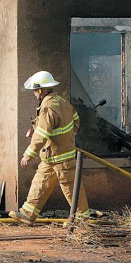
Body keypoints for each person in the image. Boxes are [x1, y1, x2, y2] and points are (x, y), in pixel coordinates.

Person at [9, 71, 90, 226]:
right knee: (40, 182)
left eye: (35, 90)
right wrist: (65, 138)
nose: (33, 93)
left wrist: (28, 155)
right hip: (52, 156)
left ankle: (82, 220)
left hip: (60, 157)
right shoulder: (62, 102)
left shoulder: (48, 107)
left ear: (41, 90)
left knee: (71, 188)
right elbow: (75, 121)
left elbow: (42, 134)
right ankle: (28, 213)